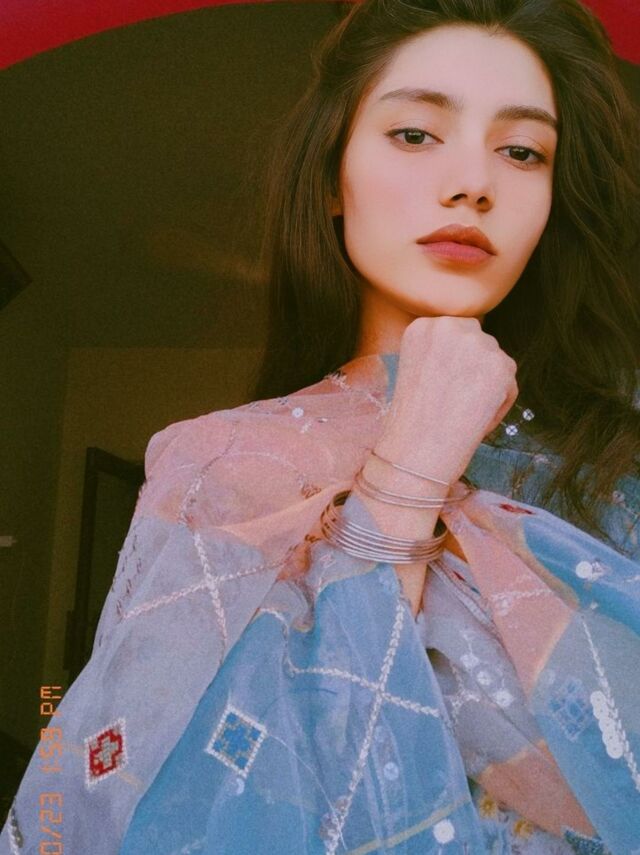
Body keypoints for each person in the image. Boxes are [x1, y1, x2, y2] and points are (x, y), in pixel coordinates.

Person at [2, 0, 639, 852]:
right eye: (415, 134)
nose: (473, 183)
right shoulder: (224, 461)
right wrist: (408, 470)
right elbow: (155, 810)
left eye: (522, 150)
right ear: (333, 180)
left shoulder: (616, 459)